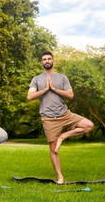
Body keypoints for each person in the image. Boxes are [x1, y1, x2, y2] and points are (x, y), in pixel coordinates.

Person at [27, 51, 94, 184]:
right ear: (41, 62)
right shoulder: (36, 79)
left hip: (65, 114)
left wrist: (54, 89)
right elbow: (29, 97)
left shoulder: (62, 77)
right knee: (53, 149)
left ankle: (63, 137)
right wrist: (45, 89)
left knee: (89, 125)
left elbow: (70, 95)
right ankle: (60, 177)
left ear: (53, 61)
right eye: (44, 59)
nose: (47, 61)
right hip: (48, 118)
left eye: (49, 59)